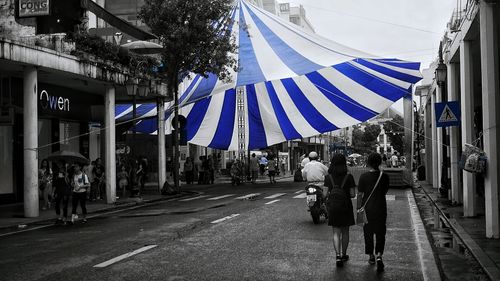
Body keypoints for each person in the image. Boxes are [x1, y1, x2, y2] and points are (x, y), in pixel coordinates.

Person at [358, 153, 390, 272]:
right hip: (381, 207)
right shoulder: (384, 176)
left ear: (368, 162)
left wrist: (358, 209)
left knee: (368, 232)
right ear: (380, 162)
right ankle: (379, 255)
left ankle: (371, 256)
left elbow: (360, 194)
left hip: (367, 209)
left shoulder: (363, 176)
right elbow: (385, 190)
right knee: (381, 232)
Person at [324, 154, 356, 267]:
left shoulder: (328, 177)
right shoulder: (349, 177)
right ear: (344, 163)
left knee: (336, 232)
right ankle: (344, 254)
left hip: (333, 207)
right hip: (346, 206)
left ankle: (337, 256)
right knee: (345, 232)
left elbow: (324, 194)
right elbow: (353, 194)